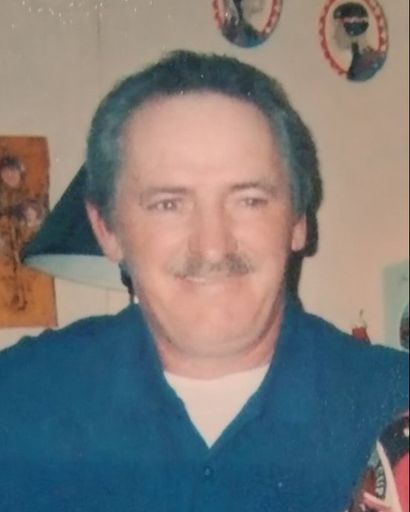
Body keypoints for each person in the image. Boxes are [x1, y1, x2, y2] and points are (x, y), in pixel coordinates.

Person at [0, 51, 408, 511]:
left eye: (249, 200)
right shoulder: (16, 401)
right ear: (106, 229)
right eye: (169, 204)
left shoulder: (394, 397)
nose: (213, 247)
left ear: (298, 220)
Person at [333, 2, 386, 82]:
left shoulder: (367, 64)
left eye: (338, 29)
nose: (334, 36)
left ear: (352, 31)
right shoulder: (361, 59)